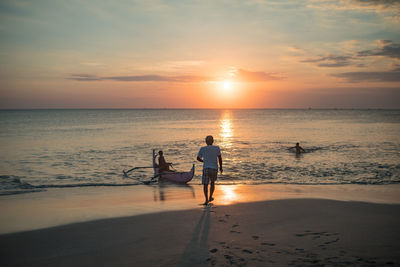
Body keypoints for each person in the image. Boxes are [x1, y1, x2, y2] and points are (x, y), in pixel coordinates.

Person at [197, 135, 223, 205]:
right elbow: (220, 158)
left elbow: (198, 158)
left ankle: (206, 200)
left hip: (206, 168)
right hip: (214, 168)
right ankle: (210, 196)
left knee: (205, 185)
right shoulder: (217, 148)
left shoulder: (202, 148)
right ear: (213, 141)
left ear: (206, 142)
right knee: (212, 183)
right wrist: (221, 167)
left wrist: (203, 161)